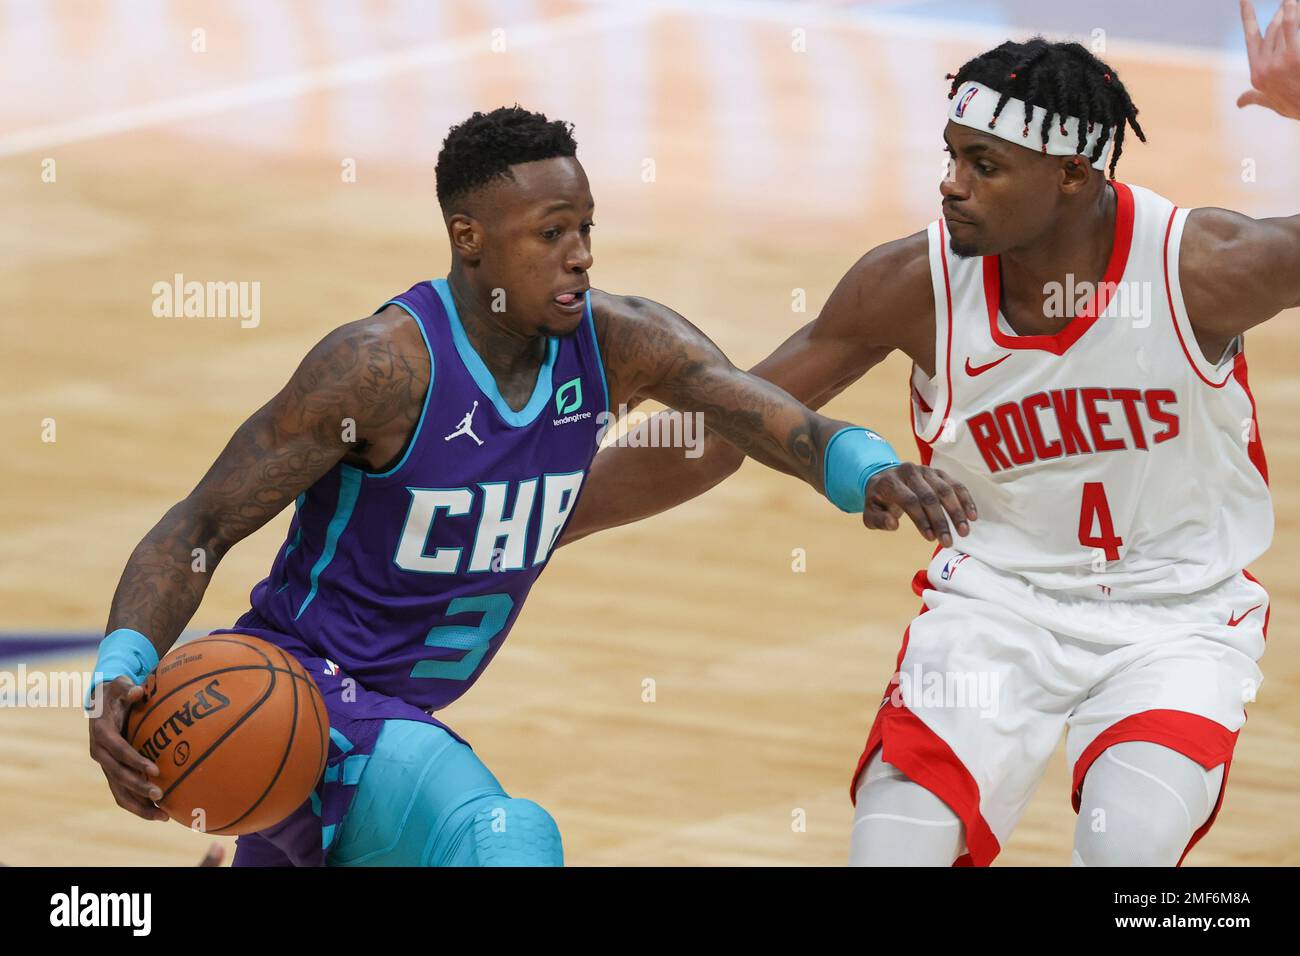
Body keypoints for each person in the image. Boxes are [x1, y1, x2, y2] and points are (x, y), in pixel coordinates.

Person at [85, 106, 972, 866]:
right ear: (469, 239)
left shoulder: (621, 340)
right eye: (552, 234)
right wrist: (120, 673)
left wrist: (866, 468)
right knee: (506, 836)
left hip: (390, 722)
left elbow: (755, 414)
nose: (580, 255)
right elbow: (199, 523)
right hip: (310, 696)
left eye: (586, 228)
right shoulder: (378, 369)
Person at [567, 10, 1300, 866]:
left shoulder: (1200, 266)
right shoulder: (911, 284)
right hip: (995, 608)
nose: (950, 184)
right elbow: (728, 422)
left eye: (983, 166)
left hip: (1178, 616)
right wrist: (542, 521)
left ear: (1070, 175)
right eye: (950, 156)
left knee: (1125, 853)